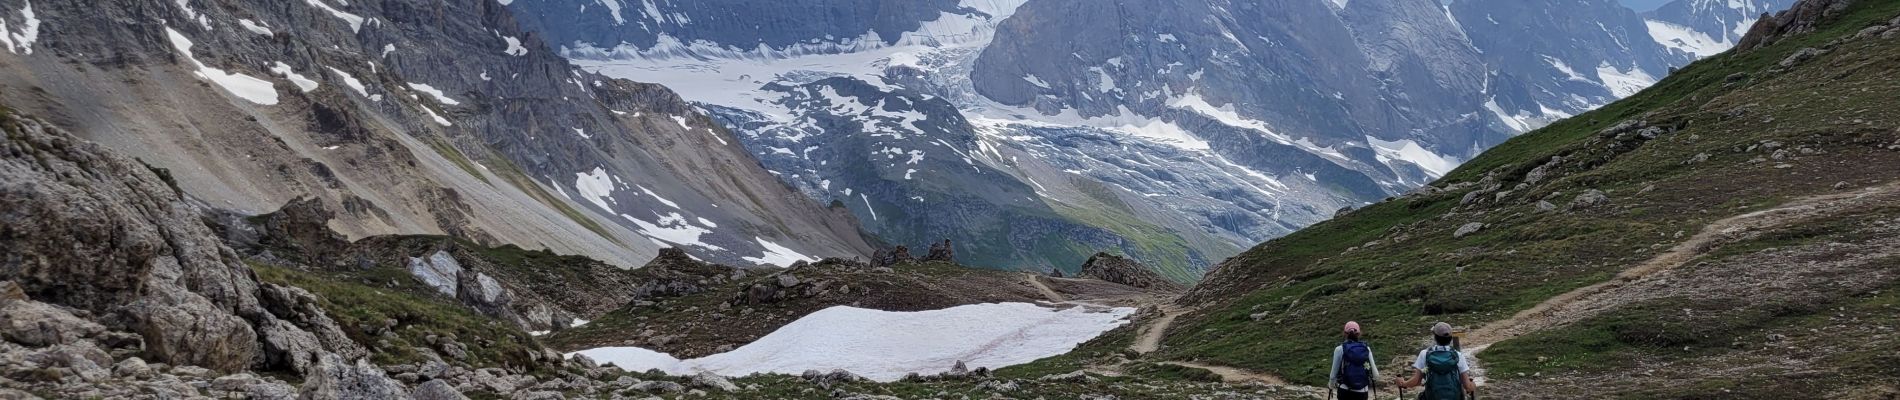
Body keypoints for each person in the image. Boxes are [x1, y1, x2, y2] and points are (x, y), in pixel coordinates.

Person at [1395, 322, 1477, 400]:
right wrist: (1472, 385)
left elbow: (1416, 381)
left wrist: (1403, 383)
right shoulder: (1458, 356)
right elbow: (1467, 386)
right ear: (1451, 338)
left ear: (1435, 337)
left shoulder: (1425, 354)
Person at [1326, 321, 1378, 400]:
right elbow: (1376, 375)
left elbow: (1333, 375)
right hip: (1363, 392)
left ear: (1345, 333)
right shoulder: (1366, 348)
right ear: (1359, 333)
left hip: (1345, 391)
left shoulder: (1339, 349)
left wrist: (1331, 386)